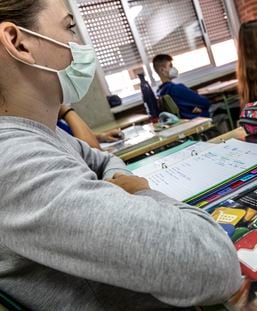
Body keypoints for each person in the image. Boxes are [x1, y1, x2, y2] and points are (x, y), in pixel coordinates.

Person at [0, 1, 242, 310]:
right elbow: (216, 265)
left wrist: (111, 185)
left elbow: (102, 161)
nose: (79, 44)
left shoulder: (42, 134)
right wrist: (138, 189)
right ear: (18, 42)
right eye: (69, 27)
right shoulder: (15, 161)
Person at [153, 54, 211, 119]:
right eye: (170, 66)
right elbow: (205, 102)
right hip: (199, 118)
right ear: (162, 70)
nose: (173, 68)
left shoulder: (160, 92)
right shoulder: (176, 89)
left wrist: (192, 107)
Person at [58, 104, 124, 149]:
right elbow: (92, 152)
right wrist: (67, 111)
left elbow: (74, 138)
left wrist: (101, 137)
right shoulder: (50, 126)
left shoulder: (58, 123)